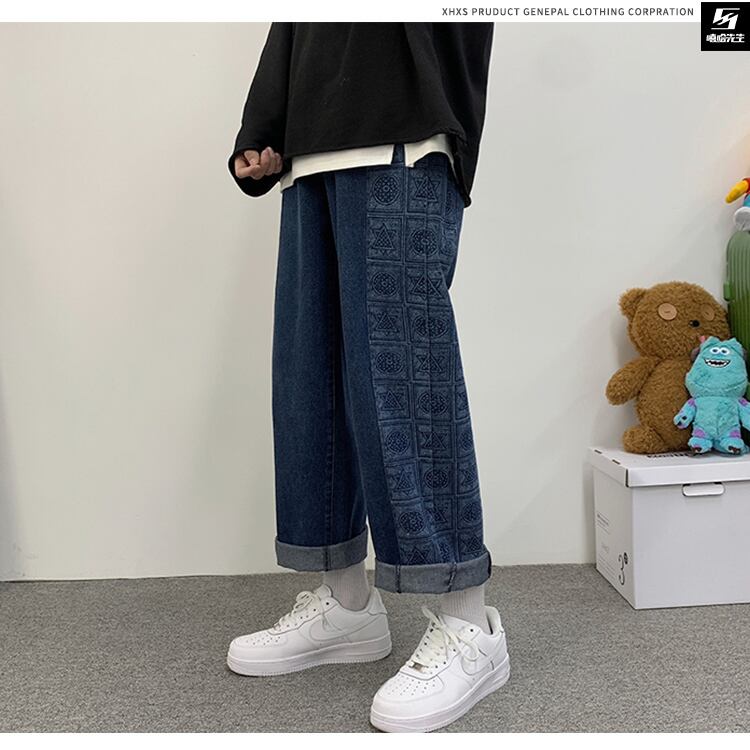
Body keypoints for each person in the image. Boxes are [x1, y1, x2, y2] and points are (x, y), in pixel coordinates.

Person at [226, 22, 507, 733]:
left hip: (404, 133)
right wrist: (262, 129)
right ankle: (347, 604)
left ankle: (470, 624)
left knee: (406, 381)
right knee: (310, 384)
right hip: (308, 155)